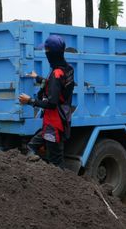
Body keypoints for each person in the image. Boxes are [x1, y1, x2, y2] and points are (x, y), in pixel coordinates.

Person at [19, 35, 74, 168]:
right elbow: (56, 85)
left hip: (54, 125)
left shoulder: (56, 73)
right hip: (58, 121)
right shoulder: (67, 69)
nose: (45, 53)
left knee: (56, 163)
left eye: (46, 51)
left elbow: (51, 103)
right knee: (31, 146)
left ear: (51, 53)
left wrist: (30, 101)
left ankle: (62, 186)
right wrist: (37, 77)